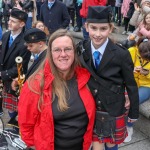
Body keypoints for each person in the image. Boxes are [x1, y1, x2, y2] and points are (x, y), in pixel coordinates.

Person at [18, 29, 96, 150]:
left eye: (68, 49)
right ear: (50, 53)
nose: (63, 54)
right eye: (57, 50)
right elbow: (25, 125)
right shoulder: (34, 84)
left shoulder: (85, 77)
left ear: (74, 52)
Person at [77, 6, 139, 150]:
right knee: (94, 143)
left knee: (111, 144)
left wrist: (133, 113)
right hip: (89, 105)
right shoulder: (81, 48)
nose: (98, 34)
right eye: (93, 28)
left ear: (110, 28)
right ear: (86, 27)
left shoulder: (121, 54)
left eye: (103, 28)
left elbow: (130, 84)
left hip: (113, 106)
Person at [0, 8, 31, 127]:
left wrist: (2, 74)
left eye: (13, 21)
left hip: (16, 80)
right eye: (9, 20)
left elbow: (21, 67)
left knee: (16, 108)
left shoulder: (25, 42)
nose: (9, 22)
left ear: (22, 24)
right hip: (4, 77)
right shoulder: (6, 35)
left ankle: (18, 127)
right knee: (8, 106)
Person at [124, 37, 150, 142]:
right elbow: (122, 67)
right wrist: (131, 70)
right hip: (130, 81)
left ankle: (129, 127)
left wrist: (147, 73)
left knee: (134, 100)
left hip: (146, 85)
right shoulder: (131, 51)